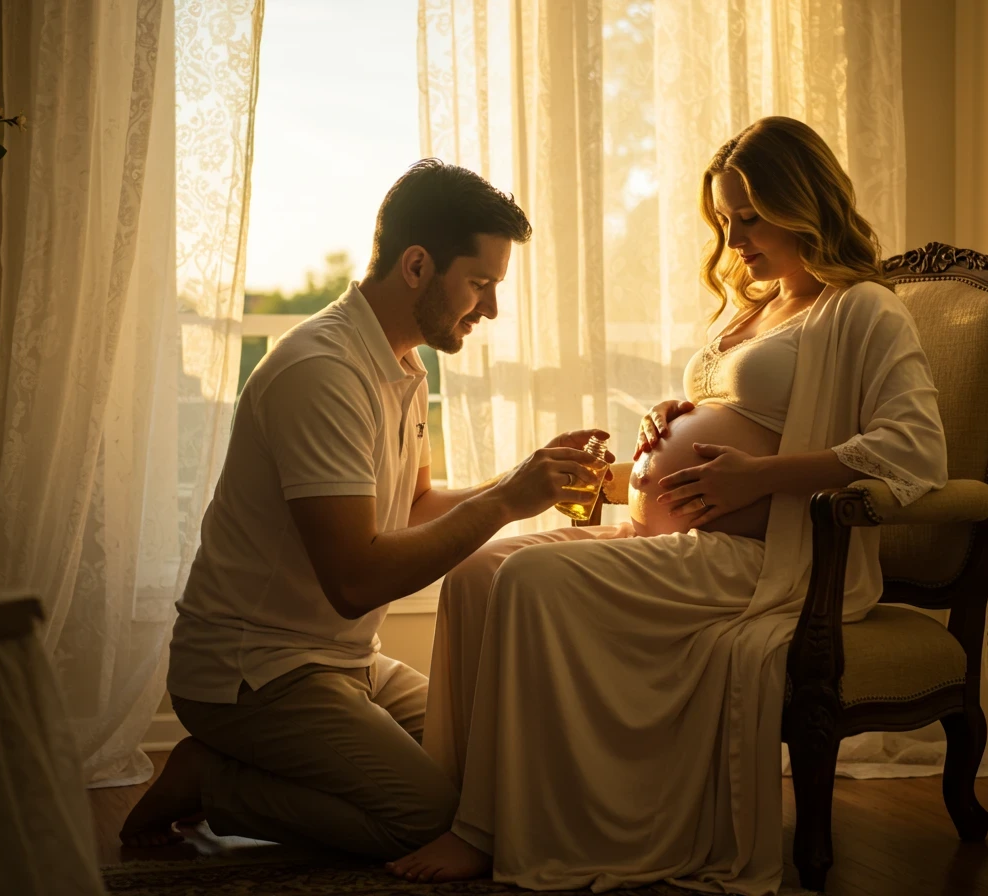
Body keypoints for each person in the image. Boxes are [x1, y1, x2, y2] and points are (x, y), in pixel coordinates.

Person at [386, 117, 949, 895]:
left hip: (765, 560)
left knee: (527, 584)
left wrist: (761, 475)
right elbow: (750, 410)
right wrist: (673, 418)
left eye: (749, 215)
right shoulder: (748, 312)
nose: (735, 235)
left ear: (803, 199)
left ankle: (487, 831)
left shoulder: (861, 311)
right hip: (676, 537)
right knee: (478, 572)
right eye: (725, 218)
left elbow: (916, 452)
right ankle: (459, 804)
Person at [119, 159, 616, 858]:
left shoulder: (401, 360)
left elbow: (412, 505)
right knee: (427, 819)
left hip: (344, 662)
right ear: (417, 266)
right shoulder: (322, 372)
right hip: (254, 672)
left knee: (491, 773)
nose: (491, 310)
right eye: (480, 284)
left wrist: (528, 477)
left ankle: (262, 772)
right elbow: (354, 581)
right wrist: (508, 500)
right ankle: (210, 781)